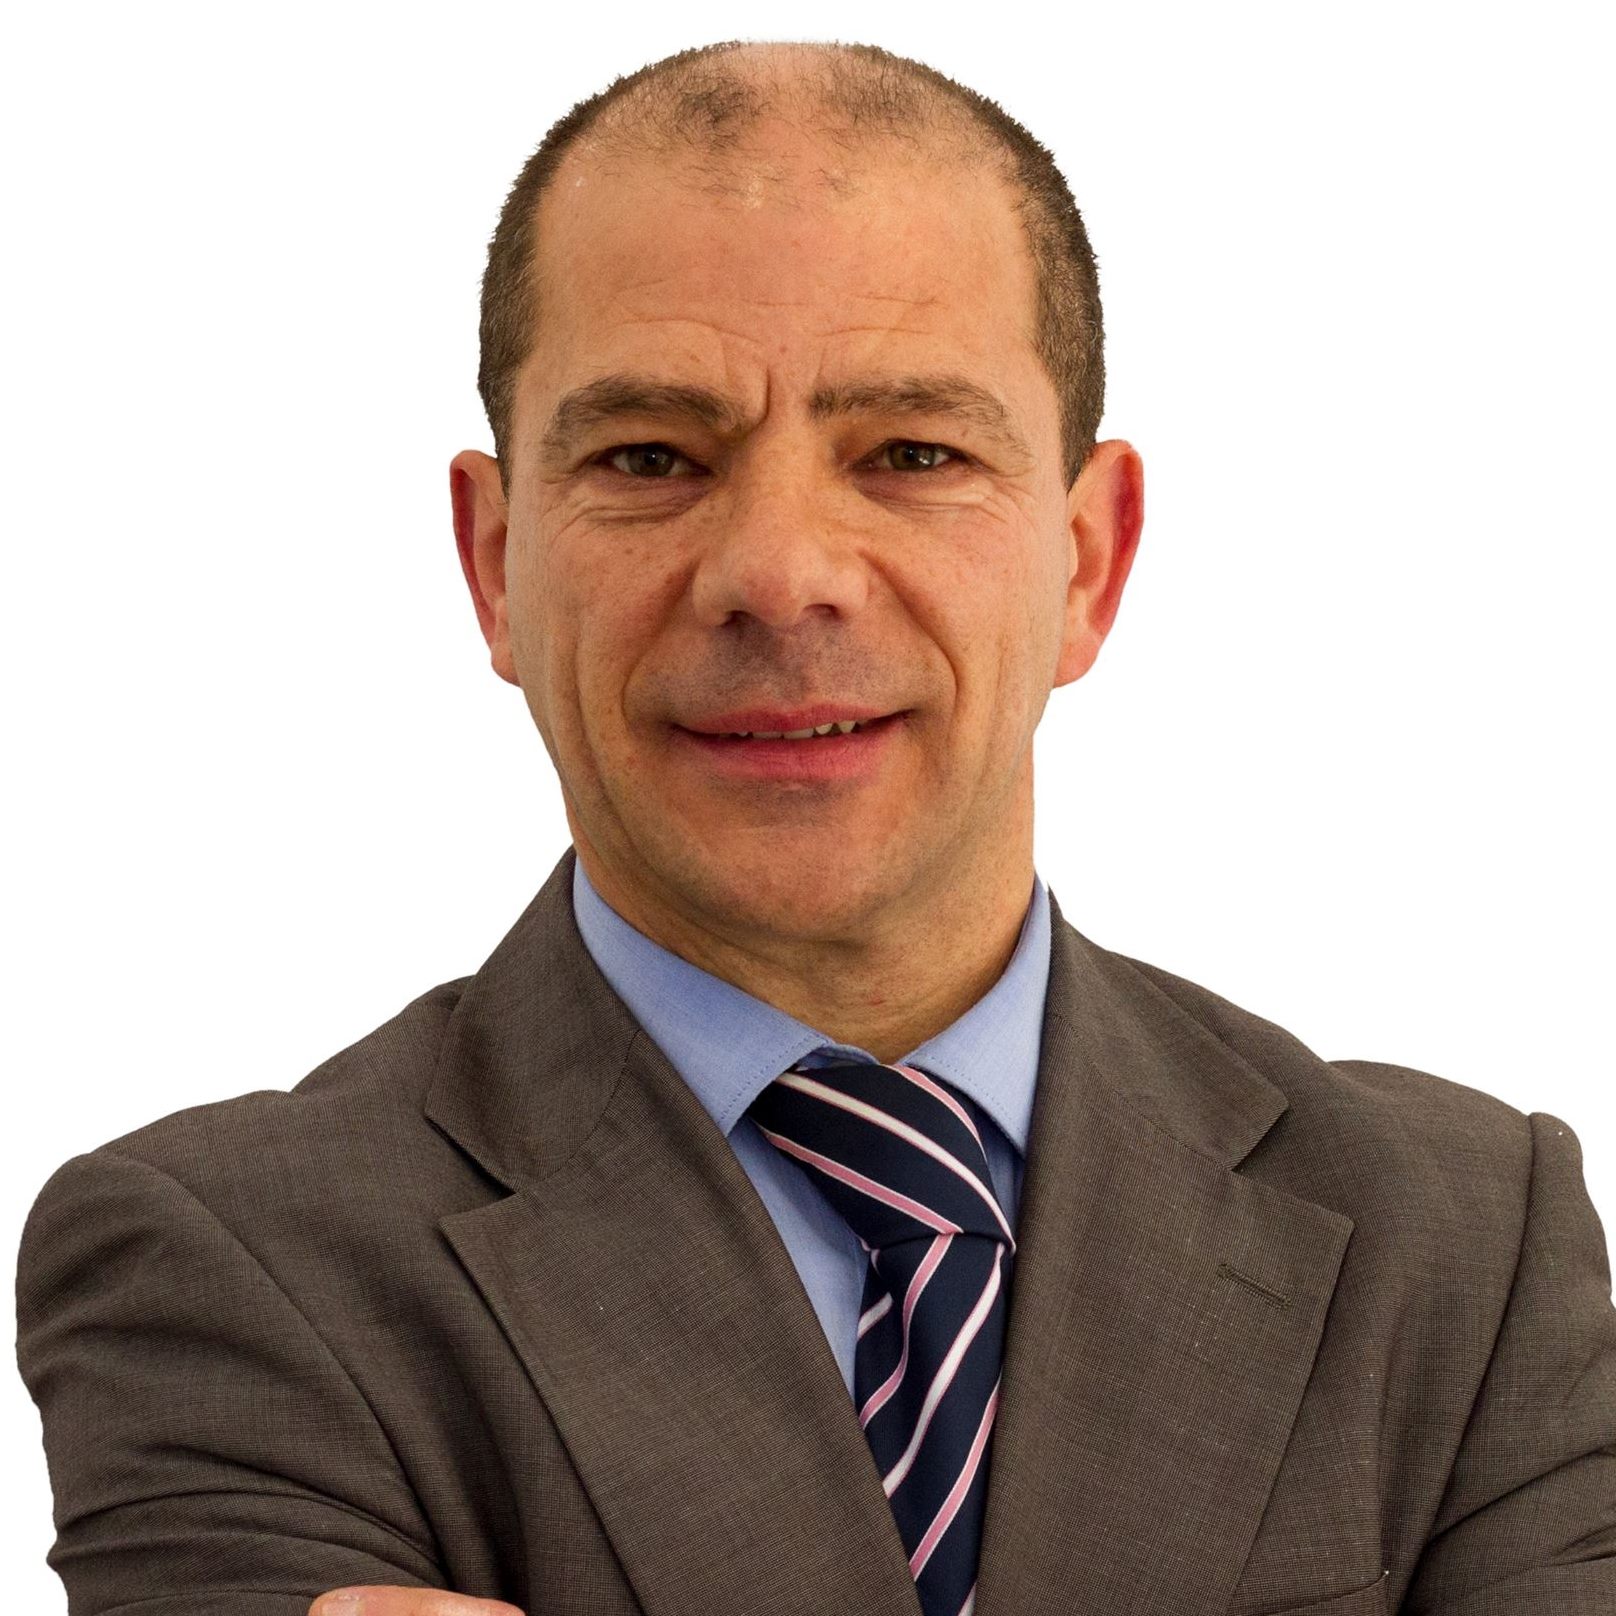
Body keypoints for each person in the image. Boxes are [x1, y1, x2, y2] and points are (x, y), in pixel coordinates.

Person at [14, 36, 1615, 1616]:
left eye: (913, 453)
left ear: (1087, 561)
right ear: (496, 563)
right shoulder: (223, 1270)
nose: (780, 574)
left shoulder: (1469, 1252)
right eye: (651, 457)